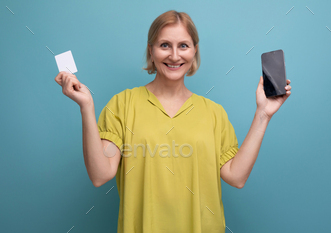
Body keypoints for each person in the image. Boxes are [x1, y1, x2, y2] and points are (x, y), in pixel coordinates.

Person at [55, 10, 291, 233]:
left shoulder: (214, 113)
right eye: (164, 45)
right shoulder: (122, 105)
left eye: (184, 46)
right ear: (151, 50)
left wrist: (263, 114)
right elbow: (100, 174)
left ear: (194, 51)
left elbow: (236, 177)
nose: (175, 55)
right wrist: (86, 107)